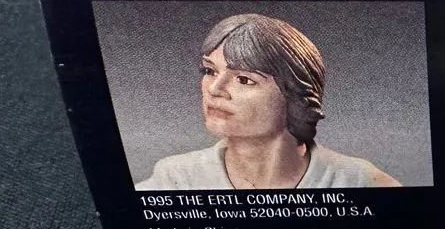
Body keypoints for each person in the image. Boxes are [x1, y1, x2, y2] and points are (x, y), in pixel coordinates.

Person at [135, 14, 401, 190]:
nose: (215, 89)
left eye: (244, 79)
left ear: (295, 93)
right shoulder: (175, 179)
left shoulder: (360, 181)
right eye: (210, 71)